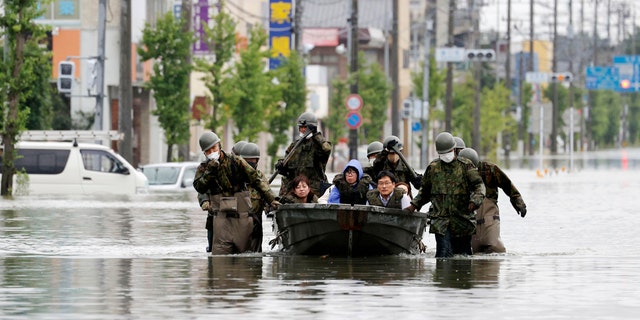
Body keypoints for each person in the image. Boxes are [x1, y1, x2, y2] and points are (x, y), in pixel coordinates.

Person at [193, 132, 280, 255]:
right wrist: (210, 171)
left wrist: (272, 199)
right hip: (221, 218)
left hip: (242, 216)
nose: (212, 151)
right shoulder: (204, 168)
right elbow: (200, 188)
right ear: (204, 153)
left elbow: (256, 180)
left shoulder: (235, 161)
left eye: (214, 148)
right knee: (220, 258)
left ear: (219, 145)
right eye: (208, 151)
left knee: (245, 256)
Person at [405, 131, 485, 258]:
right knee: (443, 256)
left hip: (462, 219)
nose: (445, 156)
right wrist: (413, 205)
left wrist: (475, 201)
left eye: (447, 152)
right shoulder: (433, 168)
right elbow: (424, 192)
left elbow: (479, 186)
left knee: (463, 256)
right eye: (442, 154)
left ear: (454, 149)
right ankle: (441, 277)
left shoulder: (466, 166)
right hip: (441, 221)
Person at [458, 147, 527, 254]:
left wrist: (518, 202)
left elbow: (507, 185)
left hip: (490, 216)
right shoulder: (457, 174)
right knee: (474, 252)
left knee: (495, 249)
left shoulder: (490, 169)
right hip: (470, 217)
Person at [276, 111, 332, 197]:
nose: (303, 130)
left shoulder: (318, 145)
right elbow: (287, 165)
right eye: (301, 127)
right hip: (295, 191)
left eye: (306, 128)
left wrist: (316, 135)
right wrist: (281, 165)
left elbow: (327, 149)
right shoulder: (294, 146)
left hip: (314, 192)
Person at [238, 142, 270, 252]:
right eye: (247, 161)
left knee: (255, 259)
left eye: (253, 160)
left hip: (256, 225)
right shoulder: (235, 177)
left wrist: (271, 207)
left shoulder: (261, 178)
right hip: (237, 225)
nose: (250, 163)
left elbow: (268, 198)